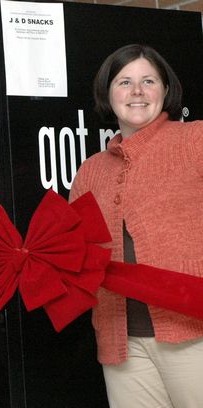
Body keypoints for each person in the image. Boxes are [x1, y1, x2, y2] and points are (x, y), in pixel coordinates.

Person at [69, 44, 203, 408]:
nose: (138, 91)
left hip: (194, 333)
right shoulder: (90, 170)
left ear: (166, 89)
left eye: (148, 81)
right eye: (125, 82)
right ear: (108, 94)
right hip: (121, 343)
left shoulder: (195, 140)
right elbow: (72, 253)